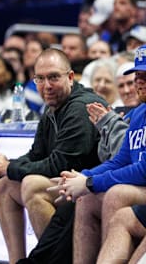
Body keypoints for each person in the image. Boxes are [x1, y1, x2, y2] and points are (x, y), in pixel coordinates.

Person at [0, 48, 104, 263]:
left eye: (53, 77)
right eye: (40, 79)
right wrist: (4, 166)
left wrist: (8, 166)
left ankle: (52, 260)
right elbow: (36, 155)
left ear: (70, 77)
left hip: (89, 189)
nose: (47, 86)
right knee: (5, 184)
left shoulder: (80, 107)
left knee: (33, 185)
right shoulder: (53, 108)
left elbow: (60, 164)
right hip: (67, 184)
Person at [50, 45, 146, 263]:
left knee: (115, 193)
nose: (139, 81)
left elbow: (144, 170)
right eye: (137, 75)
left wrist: (92, 181)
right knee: (86, 199)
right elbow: (120, 160)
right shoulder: (139, 112)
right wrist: (82, 177)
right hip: (140, 187)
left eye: (145, 76)